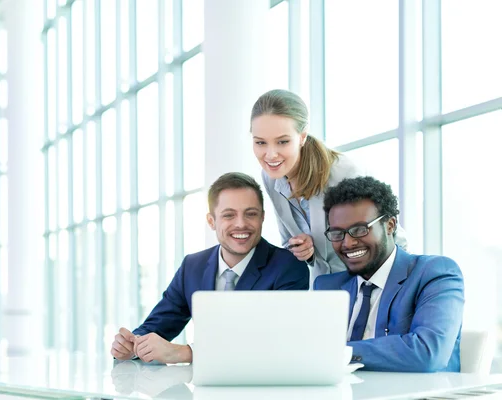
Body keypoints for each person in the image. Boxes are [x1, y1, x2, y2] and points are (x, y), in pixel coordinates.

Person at [111, 172, 309, 364]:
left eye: (251, 214)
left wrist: (186, 353)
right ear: (211, 221)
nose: (241, 224)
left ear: (263, 217)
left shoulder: (288, 266)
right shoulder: (192, 266)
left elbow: (275, 341)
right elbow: (158, 325)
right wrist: (132, 346)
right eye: (229, 215)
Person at [250, 89, 407, 282]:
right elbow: (290, 243)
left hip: (371, 283)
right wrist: (305, 251)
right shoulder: (271, 177)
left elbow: (391, 238)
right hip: (327, 287)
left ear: (302, 137)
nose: (271, 154)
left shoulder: (345, 173)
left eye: (282, 141)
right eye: (260, 143)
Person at [314, 176, 464, 372]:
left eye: (359, 230)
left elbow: (428, 352)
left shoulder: (434, 274)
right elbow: (312, 354)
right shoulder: (327, 286)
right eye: (337, 233)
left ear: (390, 225)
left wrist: (342, 352)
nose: (348, 243)